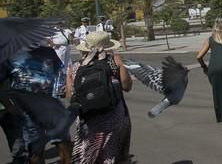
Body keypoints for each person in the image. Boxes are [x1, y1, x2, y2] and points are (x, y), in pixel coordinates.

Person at [65, 31, 132, 164]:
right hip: (115, 119)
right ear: (108, 47)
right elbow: (127, 86)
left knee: (88, 157)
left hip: (88, 122)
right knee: (113, 157)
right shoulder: (114, 62)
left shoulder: (75, 68)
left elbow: (69, 98)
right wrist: (121, 66)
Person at [1, 46, 71, 163]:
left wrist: (59, 91)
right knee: (35, 150)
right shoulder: (8, 55)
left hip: (52, 106)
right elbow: (1, 83)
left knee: (64, 144)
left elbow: (60, 72)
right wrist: (9, 105)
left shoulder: (48, 51)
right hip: (27, 111)